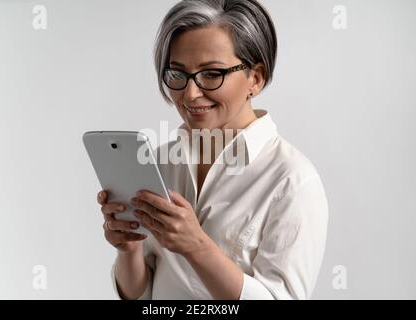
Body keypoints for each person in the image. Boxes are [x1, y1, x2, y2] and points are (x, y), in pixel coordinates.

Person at [97, 0, 328, 300]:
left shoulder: (293, 182)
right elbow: (145, 297)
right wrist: (129, 250)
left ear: (255, 78)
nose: (190, 94)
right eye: (177, 74)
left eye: (211, 74)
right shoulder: (160, 162)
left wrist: (197, 247)